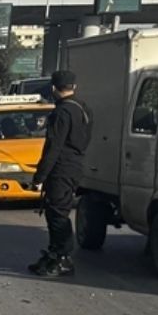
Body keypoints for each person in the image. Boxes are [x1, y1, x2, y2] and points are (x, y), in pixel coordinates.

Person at [29, 70, 93, 278]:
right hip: (75, 165)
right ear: (74, 87)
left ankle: (62, 258)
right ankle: (54, 254)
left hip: (61, 168)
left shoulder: (61, 112)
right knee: (57, 211)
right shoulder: (83, 109)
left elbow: (53, 147)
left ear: (53, 88)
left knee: (57, 214)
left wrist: (40, 176)